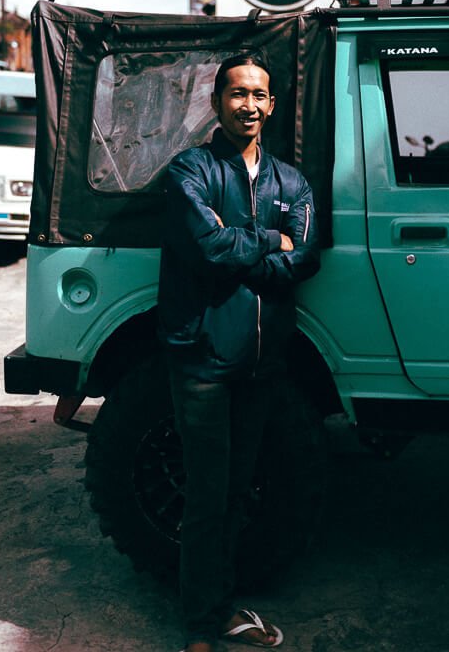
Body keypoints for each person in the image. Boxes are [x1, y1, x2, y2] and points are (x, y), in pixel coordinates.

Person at [158, 53, 321, 652]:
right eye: (237, 93)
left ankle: (219, 605)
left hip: (260, 362)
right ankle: (202, 625)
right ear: (217, 102)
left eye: (258, 95)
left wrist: (244, 250)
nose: (248, 104)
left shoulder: (291, 182)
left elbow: (306, 258)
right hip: (202, 358)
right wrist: (270, 240)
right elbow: (206, 248)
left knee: (237, 491)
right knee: (206, 496)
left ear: (271, 105)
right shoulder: (190, 171)